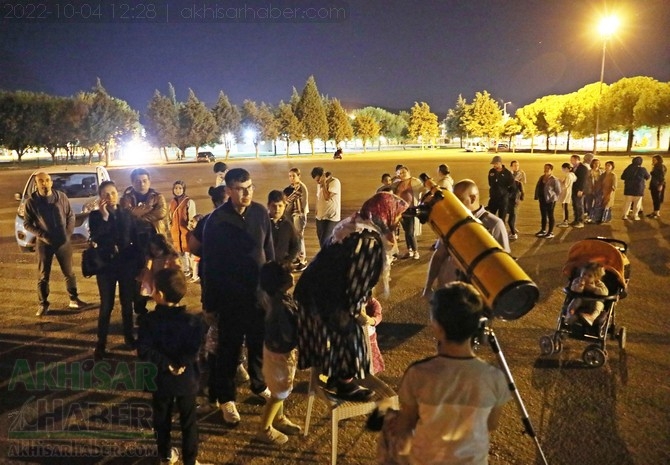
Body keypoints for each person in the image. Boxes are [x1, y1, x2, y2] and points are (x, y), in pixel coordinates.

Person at [294, 192, 408, 401]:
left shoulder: (355, 223)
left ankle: (333, 373)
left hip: (313, 290)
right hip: (324, 297)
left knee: (342, 326)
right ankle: (344, 384)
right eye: (397, 215)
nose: (398, 220)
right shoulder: (368, 242)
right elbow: (356, 283)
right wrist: (358, 313)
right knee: (351, 331)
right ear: (386, 214)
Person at [383, 282, 511, 465]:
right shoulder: (495, 377)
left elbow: (406, 424)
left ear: (438, 328)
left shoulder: (419, 373)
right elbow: (491, 425)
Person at [201, 168, 274, 425]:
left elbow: (269, 252)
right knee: (229, 351)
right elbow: (208, 266)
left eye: (250, 187)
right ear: (229, 190)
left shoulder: (260, 213)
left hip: (259, 295)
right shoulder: (216, 221)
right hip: (230, 298)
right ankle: (226, 399)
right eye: (241, 189)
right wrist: (208, 304)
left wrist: (273, 290)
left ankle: (258, 384)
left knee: (258, 345)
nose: (247, 193)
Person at [136, 268, 205, 465]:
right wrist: (180, 363)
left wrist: (167, 364)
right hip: (186, 380)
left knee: (162, 418)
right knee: (189, 421)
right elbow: (195, 348)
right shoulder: (193, 321)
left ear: (161, 294)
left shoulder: (148, 321)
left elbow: (144, 350)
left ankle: (165, 454)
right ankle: (190, 460)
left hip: (160, 378)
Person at [422, 179, 510, 300]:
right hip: (447, 291)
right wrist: (428, 286)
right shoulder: (451, 221)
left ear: (473, 198)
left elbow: (503, 266)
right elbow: (438, 256)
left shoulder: (494, 224)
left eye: (459, 200)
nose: (454, 204)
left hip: (473, 298)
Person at [89, 181, 143, 359]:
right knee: (107, 305)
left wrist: (140, 265)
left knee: (127, 304)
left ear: (117, 193)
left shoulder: (126, 214)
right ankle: (101, 342)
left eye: (112, 193)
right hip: (106, 267)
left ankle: (129, 337)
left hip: (126, 265)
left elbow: (134, 238)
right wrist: (104, 216)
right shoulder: (96, 216)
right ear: (100, 197)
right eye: (105, 194)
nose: (110, 197)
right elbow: (97, 237)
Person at [23, 171, 87, 316]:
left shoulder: (61, 197)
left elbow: (70, 215)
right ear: (36, 184)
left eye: (47, 180)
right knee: (43, 275)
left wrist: (68, 233)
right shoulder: (31, 202)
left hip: (63, 242)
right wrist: (42, 235)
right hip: (44, 244)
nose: (44, 183)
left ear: (51, 182)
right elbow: (27, 224)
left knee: (69, 272)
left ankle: (73, 299)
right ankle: (43, 304)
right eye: (41, 181)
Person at [256, 261, 302, 445]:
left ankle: (278, 418)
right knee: (279, 392)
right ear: (281, 281)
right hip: (280, 355)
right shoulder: (280, 308)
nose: (293, 275)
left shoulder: (277, 298)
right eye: (289, 273)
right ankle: (264, 428)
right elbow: (288, 334)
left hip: (276, 353)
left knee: (280, 389)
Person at [120, 168, 168, 316]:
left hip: (155, 242)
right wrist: (143, 213)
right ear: (132, 183)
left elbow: (161, 212)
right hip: (135, 244)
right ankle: (140, 306)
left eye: (144, 181)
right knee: (139, 275)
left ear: (149, 181)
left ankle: (162, 306)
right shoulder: (126, 198)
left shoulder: (157, 197)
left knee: (159, 273)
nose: (141, 184)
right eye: (138, 181)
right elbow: (125, 215)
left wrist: (139, 216)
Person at [137, 234, 183, 301]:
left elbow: (177, 270)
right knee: (159, 299)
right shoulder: (152, 259)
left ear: (163, 247)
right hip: (156, 283)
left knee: (168, 299)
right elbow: (148, 271)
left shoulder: (170, 258)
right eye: (152, 249)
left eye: (157, 249)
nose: (155, 251)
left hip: (168, 283)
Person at [391, 166, 423, 259]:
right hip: (400, 211)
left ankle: (415, 251)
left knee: (410, 232)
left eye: (403, 172)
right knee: (406, 231)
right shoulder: (397, 183)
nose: (401, 174)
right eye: (399, 173)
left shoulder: (415, 182)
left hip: (410, 210)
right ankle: (410, 250)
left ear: (408, 172)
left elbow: (423, 190)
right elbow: (386, 188)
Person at [567, 262, 609, 326]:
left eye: (589, 276)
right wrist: (580, 287)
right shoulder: (577, 280)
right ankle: (570, 314)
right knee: (575, 301)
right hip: (581, 300)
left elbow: (605, 292)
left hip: (593, 302)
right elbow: (573, 289)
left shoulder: (598, 283)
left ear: (596, 278)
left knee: (599, 304)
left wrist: (594, 289)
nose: (585, 277)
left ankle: (592, 317)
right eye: (584, 274)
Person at [169, 180, 196, 277]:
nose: (178, 190)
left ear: (183, 189)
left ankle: (188, 270)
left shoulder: (189, 202)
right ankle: (184, 269)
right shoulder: (172, 202)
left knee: (186, 251)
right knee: (179, 251)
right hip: (175, 232)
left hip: (185, 232)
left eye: (180, 188)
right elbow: (170, 216)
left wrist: (190, 227)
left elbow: (192, 217)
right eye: (176, 188)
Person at [283, 168, 309, 270]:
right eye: (290, 176)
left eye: (294, 176)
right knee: (295, 236)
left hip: (300, 214)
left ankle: (303, 260)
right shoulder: (291, 187)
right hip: (293, 215)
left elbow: (290, 198)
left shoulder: (300, 187)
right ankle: (299, 257)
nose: (291, 178)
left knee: (299, 237)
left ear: (299, 176)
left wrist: (282, 201)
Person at [268, 190, 300, 269]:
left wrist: (288, 261)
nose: (277, 209)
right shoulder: (263, 223)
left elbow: (296, 244)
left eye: (280, 206)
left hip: (282, 267)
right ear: (268, 206)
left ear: (284, 206)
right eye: (274, 206)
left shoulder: (288, 225)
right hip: (266, 266)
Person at [311, 167, 341, 249]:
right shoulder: (319, 184)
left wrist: (324, 183)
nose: (317, 182)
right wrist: (316, 210)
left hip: (331, 217)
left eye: (318, 180)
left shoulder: (334, 182)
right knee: (322, 241)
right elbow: (318, 197)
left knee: (325, 241)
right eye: (316, 180)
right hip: (320, 217)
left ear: (323, 176)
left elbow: (327, 197)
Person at [357, 291, 384, 374]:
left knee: (370, 356)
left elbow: (378, 317)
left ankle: (370, 372)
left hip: (369, 335)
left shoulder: (374, 303)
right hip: (356, 335)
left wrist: (369, 320)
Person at [533, 163, 562, 239]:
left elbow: (558, 191)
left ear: (551, 170)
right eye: (545, 168)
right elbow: (538, 187)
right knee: (543, 215)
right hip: (542, 199)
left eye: (548, 168)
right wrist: (537, 196)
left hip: (550, 201)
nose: (546, 169)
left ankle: (550, 232)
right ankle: (543, 230)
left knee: (550, 215)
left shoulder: (554, 180)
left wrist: (553, 198)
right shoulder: (541, 177)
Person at [486, 155, 515, 224]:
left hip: (503, 200)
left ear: (500, 163)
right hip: (493, 199)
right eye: (493, 164)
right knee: (490, 217)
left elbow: (512, 186)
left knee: (501, 219)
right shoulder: (491, 172)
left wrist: (506, 195)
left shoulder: (507, 173)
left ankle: (501, 233)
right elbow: (490, 183)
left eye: (495, 164)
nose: (494, 165)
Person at [621, 156, 650, 221]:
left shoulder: (628, 168)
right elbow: (647, 177)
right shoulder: (642, 169)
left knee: (627, 203)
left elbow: (622, 177)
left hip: (629, 188)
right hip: (639, 189)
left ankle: (625, 215)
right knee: (637, 203)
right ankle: (635, 215)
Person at [507, 160, 526, 240]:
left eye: (517, 165)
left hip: (515, 196)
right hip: (508, 195)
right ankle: (512, 228)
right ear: (511, 166)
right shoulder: (508, 174)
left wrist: (521, 195)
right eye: (514, 165)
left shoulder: (521, 173)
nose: (516, 167)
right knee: (510, 212)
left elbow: (523, 183)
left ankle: (513, 228)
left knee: (513, 213)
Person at [569, 154, 588, 228]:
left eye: (572, 160)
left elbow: (583, 180)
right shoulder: (573, 168)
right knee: (575, 205)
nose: (571, 161)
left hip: (579, 190)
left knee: (579, 205)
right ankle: (576, 220)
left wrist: (581, 190)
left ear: (578, 160)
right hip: (574, 189)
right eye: (571, 160)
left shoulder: (583, 168)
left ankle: (580, 221)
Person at [557, 162, 576, 228]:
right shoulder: (572, 174)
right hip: (568, 191)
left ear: (567, 169)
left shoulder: (568, 175)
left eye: (563, 168)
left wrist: (559, 181)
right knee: (565, 206)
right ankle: (565, 220)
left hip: (565, 192)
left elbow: (565, 185)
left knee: (564, 207)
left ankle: (565, 221)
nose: (563, 170)